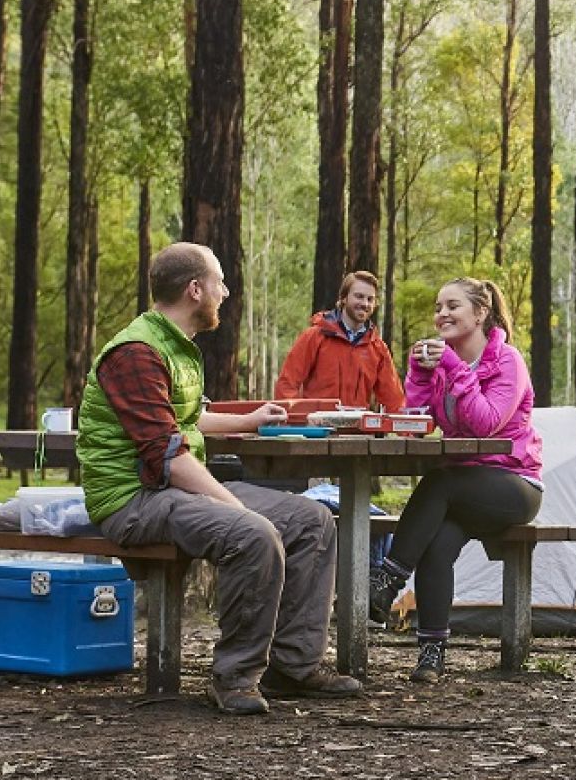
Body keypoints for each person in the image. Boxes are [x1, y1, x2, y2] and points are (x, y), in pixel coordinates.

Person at [77, 243, 363, 715]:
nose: (225, 292)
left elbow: (182, 420)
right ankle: (234, 677)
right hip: (132, 498)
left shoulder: (176, 347)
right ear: (195, 290)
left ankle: (293, 665)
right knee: (251, 531)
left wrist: (251, 420)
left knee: (313, 520)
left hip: (172, 487)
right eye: (219, 282)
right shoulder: (135, 352)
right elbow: (165, 454)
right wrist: (231, 504)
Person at [365, 278, 543, 684]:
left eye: (453, 306)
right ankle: (431, 655)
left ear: (479, 313)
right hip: (462, 491)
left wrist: (452, 366)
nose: (441, 314)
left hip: (514, 486)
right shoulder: (445, 366)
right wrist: (418, 374)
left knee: (439, 481)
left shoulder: (507, 361)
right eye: (438, 306)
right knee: (436, 543)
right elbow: (412, 426)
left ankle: (387, 580)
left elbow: (486, 425)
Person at [275, 270, 406, 411]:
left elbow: (394, 400)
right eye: (359, 297)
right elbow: (287, 385)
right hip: (317, 430)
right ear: (344, 298)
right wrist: (298, 420)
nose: (365, 303)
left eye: (370, 299)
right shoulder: (314, 336)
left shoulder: (378, 348)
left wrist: (404, 430)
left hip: (357, 430)